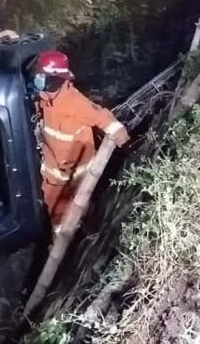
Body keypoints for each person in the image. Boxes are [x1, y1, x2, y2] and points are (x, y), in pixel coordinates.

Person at [32, 51, 129, 233]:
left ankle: (77, 235)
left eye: (42, 75)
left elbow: (103, 118)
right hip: (54, 172)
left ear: (56, 78)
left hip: (78, 172)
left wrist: (127, 145)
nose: (38, 79)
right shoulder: (44, 101)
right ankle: (57, 236)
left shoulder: (74, 102)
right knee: (53, 210)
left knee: (76, 209)